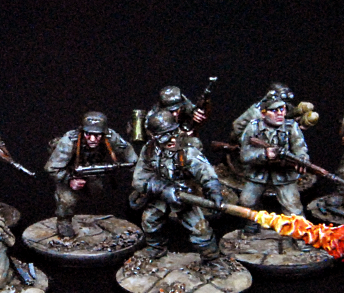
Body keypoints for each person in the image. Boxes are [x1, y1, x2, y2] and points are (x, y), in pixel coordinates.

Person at [130, 110, 223, 260]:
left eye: (173, 132)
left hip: (183, 196)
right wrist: (162, 189)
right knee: (149, 220)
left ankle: (212, 258)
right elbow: (139, 179)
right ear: (154, 136)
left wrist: (213, 190)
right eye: (165, 135)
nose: (172, 138)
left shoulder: (187, 149)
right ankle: (156, 248)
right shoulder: (149, 150)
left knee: (200, 229)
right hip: (160, 195)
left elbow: (205, 171)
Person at [45, 111, 138, 238]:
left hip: (92, 170)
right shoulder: (69, 141)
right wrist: (69, 180)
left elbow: (127, 151)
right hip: (68, 171)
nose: (93, 139)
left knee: (97, 192)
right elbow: (51, 168)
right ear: (83, 131)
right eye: (88, 134)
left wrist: (139, 174)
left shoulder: (110, 136)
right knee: (67, 199)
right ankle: (64, 221)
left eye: (97, 135)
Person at [238, 93, 309, 226]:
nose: (280, 113)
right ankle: (252, 225)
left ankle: (299, 232)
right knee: (246, 201)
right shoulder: (253, 127)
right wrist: (264, 154)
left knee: (293, 207)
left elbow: (300, 147)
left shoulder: (291, 127)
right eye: (274, 110)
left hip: (283, 174)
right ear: (263, 113)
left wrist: (302, 159)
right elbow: (245, 155)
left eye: (282, 109)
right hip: (258, 173)